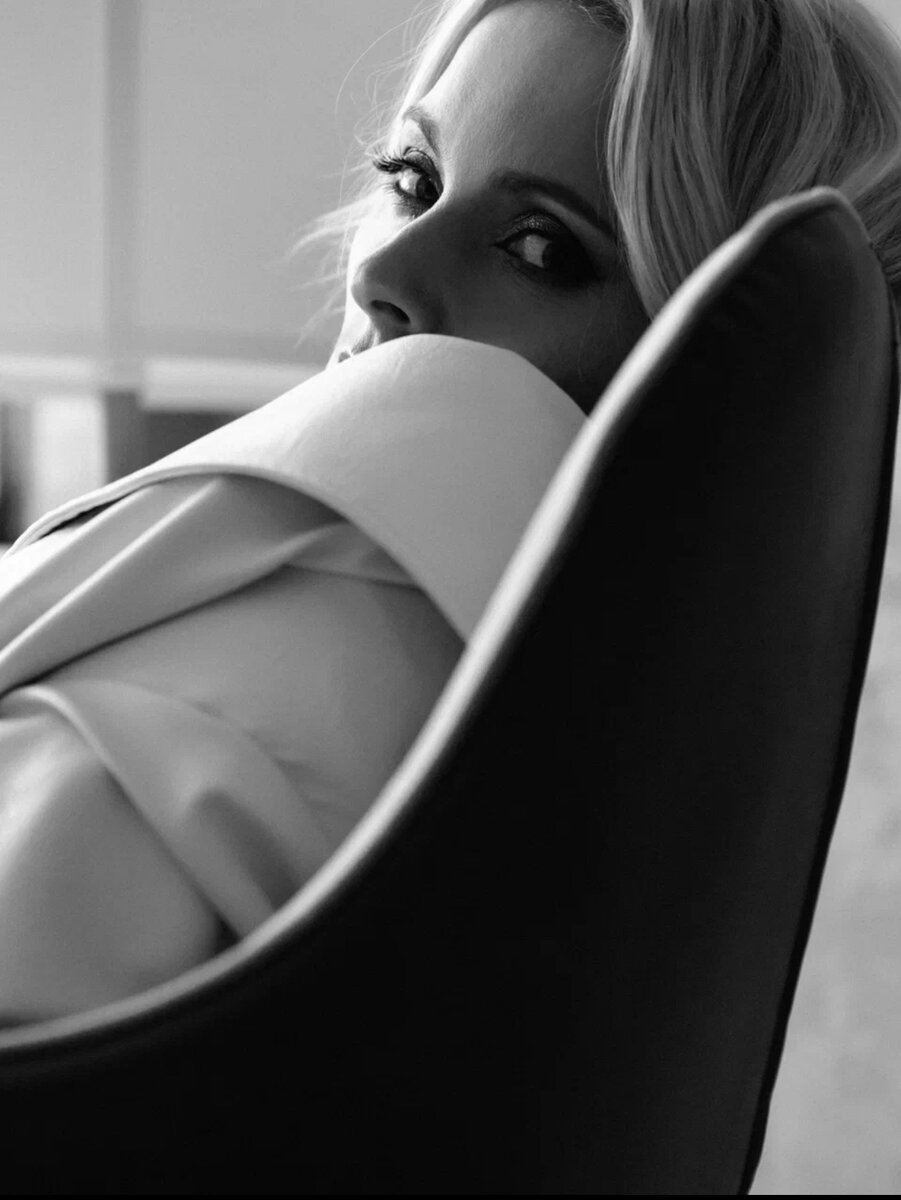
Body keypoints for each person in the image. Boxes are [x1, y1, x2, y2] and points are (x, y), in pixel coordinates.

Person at [2, 0, 901, 1025]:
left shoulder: (270, 677)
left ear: (713, 379)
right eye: (411, 180)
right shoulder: (676, 788)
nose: (379, 272)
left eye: (538, 248)